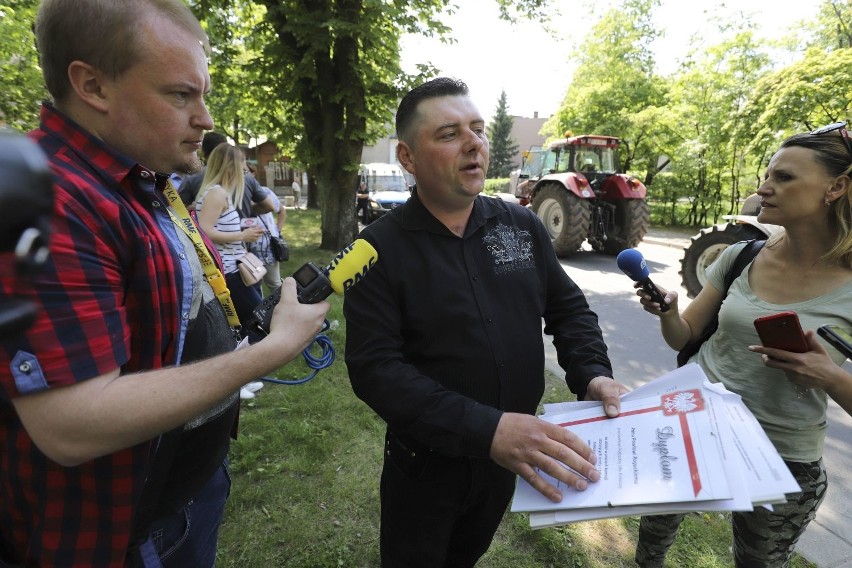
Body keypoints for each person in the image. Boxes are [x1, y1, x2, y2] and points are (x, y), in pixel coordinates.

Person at [0, 1, 330, 566]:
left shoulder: (139, 176)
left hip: (181, 496)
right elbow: (71, 424)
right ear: (92, 85)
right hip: (112, 538)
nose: (205, 117)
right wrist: (273, 349)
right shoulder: (51, 199)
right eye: (181, 95)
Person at [343, 77, 628, 567]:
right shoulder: (377, 251)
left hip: (507, 462)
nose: (474, 142)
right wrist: (487, 428)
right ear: (407, 157)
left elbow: (568, 309)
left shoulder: (522, 225)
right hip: (426, 465)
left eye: (477, 128)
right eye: (450, 133)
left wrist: (592, 373)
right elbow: (375, 370)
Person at [632, 123, 852, 567]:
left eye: (783, 178)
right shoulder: (741, 255)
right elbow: (687, 336)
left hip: (784, 456)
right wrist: (670, 313)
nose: (764, 189)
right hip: (695, 427)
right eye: (766, 175)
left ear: (837, 187)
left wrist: (828, 375)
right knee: (650, 547)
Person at [179, 131, 276, 218]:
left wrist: (199, 212)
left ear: (203, 151)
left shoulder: (193, 178)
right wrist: (246, 209)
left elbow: (177, 211)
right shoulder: (246, 176)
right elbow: (269, 206)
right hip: (242, 234)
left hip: (204, 236)